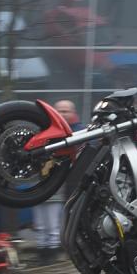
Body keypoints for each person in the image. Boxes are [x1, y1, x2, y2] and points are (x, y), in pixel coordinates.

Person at [32, 100, 84, 265]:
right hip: (43, 180)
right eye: (59, 111)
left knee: (55, 221)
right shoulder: (47, 130)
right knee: (41, 222)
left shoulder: (80, 132)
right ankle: (42, 251)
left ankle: (54, 252)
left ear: (73, 113)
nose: (62, 114)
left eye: (65, 111)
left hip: (66, 184)